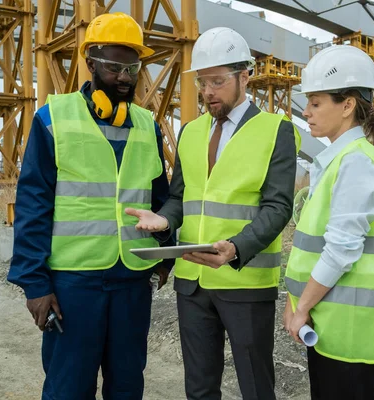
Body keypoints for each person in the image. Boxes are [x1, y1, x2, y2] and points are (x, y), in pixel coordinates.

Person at [7, 12, 175, 400]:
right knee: (69, 387)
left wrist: (165, 256)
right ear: (91, 63)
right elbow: (33, 203)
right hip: (72, 284)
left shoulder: (148, 124)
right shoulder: (54, 118)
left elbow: (162, 200)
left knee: (128, 385)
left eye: (132, 67)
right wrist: (34, 283)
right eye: (114, 66)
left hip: (132, 280)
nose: (125, 77)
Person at [126, 27, 300, 400]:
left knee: (256, 387)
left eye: (217, 82)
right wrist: (165, 219)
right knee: (200, 388)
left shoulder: (276, 131)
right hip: (191, 281)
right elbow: (180, 196)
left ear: (244, 76)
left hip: (245, 282)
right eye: (202, 83)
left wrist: (236, 248)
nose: (208, 92)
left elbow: (278, 207)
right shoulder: (190, 132)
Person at [283, 44, 374, 400]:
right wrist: (296, 303)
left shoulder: (358, 162)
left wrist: (301, 307)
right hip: (328, 324)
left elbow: (341, 250)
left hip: (347, 332)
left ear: (347, 105)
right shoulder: (341, 159)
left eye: (316, 103)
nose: (306, 112)